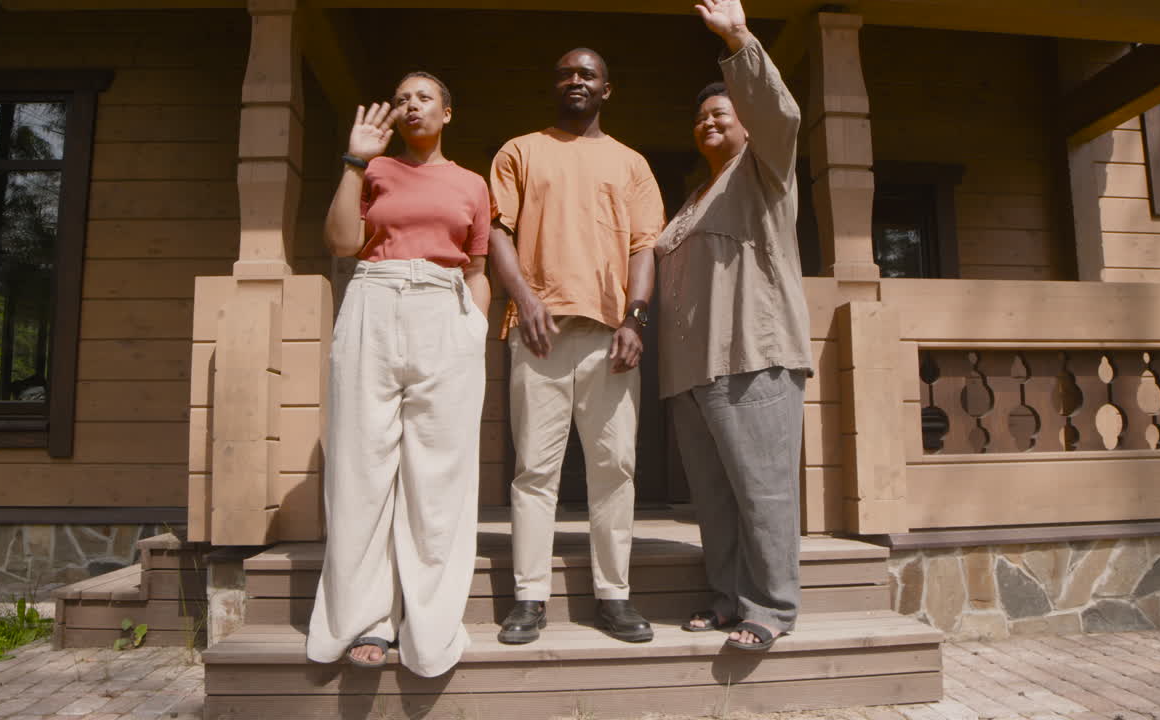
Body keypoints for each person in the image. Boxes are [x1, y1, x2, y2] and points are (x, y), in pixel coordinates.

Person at [306, 71, 491, 678]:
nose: (412, 106)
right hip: (374, 302)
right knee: (362, 467)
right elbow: (339, 242)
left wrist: (474, 330)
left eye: (425, 98)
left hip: (446, 310)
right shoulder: (374, 171)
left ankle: (430, 624)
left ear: (447, 112)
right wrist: (355, 162)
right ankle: (367, 620)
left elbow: (478, 267)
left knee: (437, 477)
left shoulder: (471, 183)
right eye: (403, 98)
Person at [488, 47, 664, 644]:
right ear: (553, 84)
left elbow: (645, 246)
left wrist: (636, 319)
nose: (575, 80)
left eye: (587, 74)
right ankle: (529, 597)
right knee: (534, 470)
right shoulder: (520, 151)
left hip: (611, 338)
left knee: (614, 469)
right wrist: (525, 299)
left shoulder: (631, 163)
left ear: (606, 89)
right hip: (538, 335)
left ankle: (614, 596)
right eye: (564, 72)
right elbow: (497, 232)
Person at [659, 0, 812, 651]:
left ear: (746, 126)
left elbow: (781, 116)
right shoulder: (698, 196)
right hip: (693, 370)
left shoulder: (763, 173)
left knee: (763, 493)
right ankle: (730, 596)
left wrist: (739, 39)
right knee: (716, 499)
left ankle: (773, 609)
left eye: (720, 113)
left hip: (754, 355)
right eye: (700, 117)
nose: (708, 122)